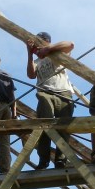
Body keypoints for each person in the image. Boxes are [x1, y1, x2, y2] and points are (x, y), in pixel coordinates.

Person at [25, 32, 75, 169]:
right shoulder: (37, 61)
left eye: (39, 42)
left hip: (63, 92)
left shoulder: (57, 53)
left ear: (46, 41)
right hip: (45, 92)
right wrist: (30, 54)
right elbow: (31, 75)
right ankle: (44, 160)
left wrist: (48, 49)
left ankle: (61, 159)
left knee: (63, 127)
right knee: (44, 126)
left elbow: (70, 44)